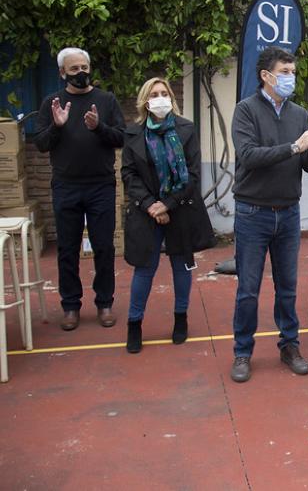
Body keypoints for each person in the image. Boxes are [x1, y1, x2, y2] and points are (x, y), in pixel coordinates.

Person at [229, 47, 308, 383]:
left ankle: (290, 345)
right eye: (285, 72)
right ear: (266, 76)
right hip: (252, 212)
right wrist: (294, 146)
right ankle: (242, 352)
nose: (291, 78)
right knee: (248, 289)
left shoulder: (299, 114)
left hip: (288, 213)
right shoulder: (245, 110)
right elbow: (248, 156)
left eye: (293, 72)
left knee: (287, 287)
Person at [121, 78, 215, 353]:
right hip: (146, 210)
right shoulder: (133, 133)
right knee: (144, 268)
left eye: (164, 93)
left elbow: (193, 174)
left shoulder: (186, 129)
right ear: (145, 101)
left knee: (181, 266)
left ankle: (180, 318)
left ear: (171, 98)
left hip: (180, 208)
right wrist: (152, 205)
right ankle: (134, 324)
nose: (160, 98)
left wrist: (168, 204)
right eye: (154, 94)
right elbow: (129, 173)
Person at [34, 47, 125, 331]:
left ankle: (105, 303)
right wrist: (57, 126)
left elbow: (121, 137)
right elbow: (41, 144)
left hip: (101, 186)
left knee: (104, 247)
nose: (81, 73)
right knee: (67, 249)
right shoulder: (52, 103)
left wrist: (99, 127)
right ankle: (71, 306)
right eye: (74, 69)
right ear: (63, 73)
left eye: (84, 67)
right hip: (66, 186)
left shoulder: (106, 100)